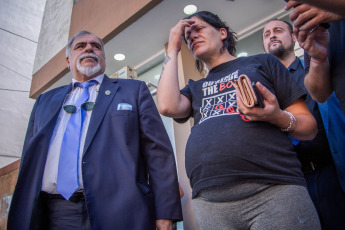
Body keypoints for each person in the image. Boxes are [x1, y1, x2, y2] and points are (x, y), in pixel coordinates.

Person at [157, 11, 320, 230]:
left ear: (222, 33)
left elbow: (309, 128)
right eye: (187, 36)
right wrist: (173, 48)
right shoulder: (195, 88)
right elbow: (167, 106)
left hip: (273, 190)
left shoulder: (263, 62)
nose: (192, 36)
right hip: (210, 203)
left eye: (199, 29)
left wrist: (277, 117)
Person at [7, 31, 182, 230]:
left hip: (122, 212)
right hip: (56, 214)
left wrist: (165, 212)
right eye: (80, 46)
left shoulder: (134, 91)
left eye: (96, 46)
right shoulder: (44, 101)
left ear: (104, 58)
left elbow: (158, 153)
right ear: (68, 60)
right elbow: (30, 160)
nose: (89, 48)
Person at [263, 19, 345, 229]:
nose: (271, 35)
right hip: (293, 182)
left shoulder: (316, 70)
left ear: (293, 37)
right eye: (266, 34)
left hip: (331, 173)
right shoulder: (264, 91)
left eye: (278, 30)